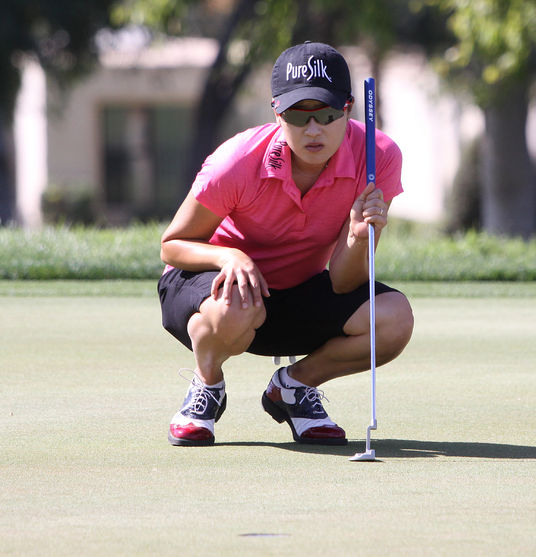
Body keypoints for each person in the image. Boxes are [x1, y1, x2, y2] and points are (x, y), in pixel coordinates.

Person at [157, 41, 414, 447]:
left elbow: (345, 282)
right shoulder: (237, 161)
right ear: (277, 113)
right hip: (210, 289)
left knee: (394, 318)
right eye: (298, 115)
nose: (314, 130)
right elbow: (172, 245)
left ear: (348, 107)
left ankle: (293, 387)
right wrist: (230, 256)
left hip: (296, 292)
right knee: (236, 304)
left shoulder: (377, 158)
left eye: (327, 115)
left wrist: (357, 235)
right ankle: (207, 385)